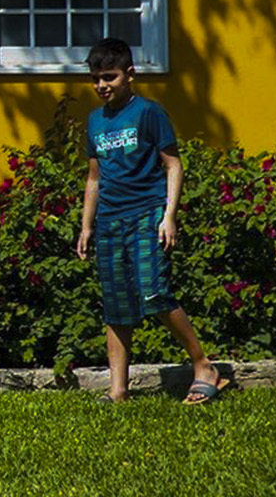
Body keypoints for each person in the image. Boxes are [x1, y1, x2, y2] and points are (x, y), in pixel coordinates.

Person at [76, 37, 229, 404]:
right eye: (96, 79)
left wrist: (169, 216)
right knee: (116, 304)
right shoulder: (95, 121)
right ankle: (118, 391)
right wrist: (86, 226)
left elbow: (173, 165)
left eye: (109, 77)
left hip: (147, 215)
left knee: (154, 292)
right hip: (110, 223)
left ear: (130, 74)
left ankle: (203, 365)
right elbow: (94, 178)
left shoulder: (149, 113)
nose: (102, 85)